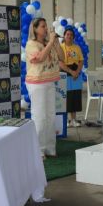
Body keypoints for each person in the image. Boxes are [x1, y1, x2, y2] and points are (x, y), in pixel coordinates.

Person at [25, 18, 64, 158]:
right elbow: (40, 58)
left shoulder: (49, 42)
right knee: (40, 117)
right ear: (35, 29)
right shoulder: (31, 44)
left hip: (50, 81)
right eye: (42, 26)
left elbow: (62, 57)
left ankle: (50, 148)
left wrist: (56, 43)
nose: (46, 28)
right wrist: (50, 43)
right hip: (37, 83)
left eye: (46, 26)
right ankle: (39, 150)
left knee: (50, 116)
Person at [59, 27, 84, 128]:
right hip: (65, 73)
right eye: (67, 34)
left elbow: (81, 61)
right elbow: (60, 63)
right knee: (65, 98)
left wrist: (76, 72)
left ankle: (73, 120)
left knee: (74, 97)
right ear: (64, 36)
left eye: (71, 35)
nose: (69, 36)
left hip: (76, 75)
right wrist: (70, 72)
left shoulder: (77, 47)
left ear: (73, 37)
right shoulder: (60, 47)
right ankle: (65, 121)